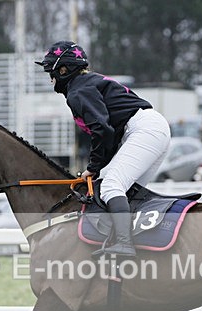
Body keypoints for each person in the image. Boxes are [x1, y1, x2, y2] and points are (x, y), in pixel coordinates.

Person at [36, 40, 171, 256]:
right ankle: (133, 243)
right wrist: (100, 167)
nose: (51, 79)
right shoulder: (85, 83)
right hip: (149, 128)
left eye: (51, 72)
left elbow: (102, 130)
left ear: (63, 70)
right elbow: (108, 132)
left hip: (144, 130)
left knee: (110, 186)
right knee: (117, 187)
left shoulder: (77, 91)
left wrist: (93, 166)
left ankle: (125, 244)